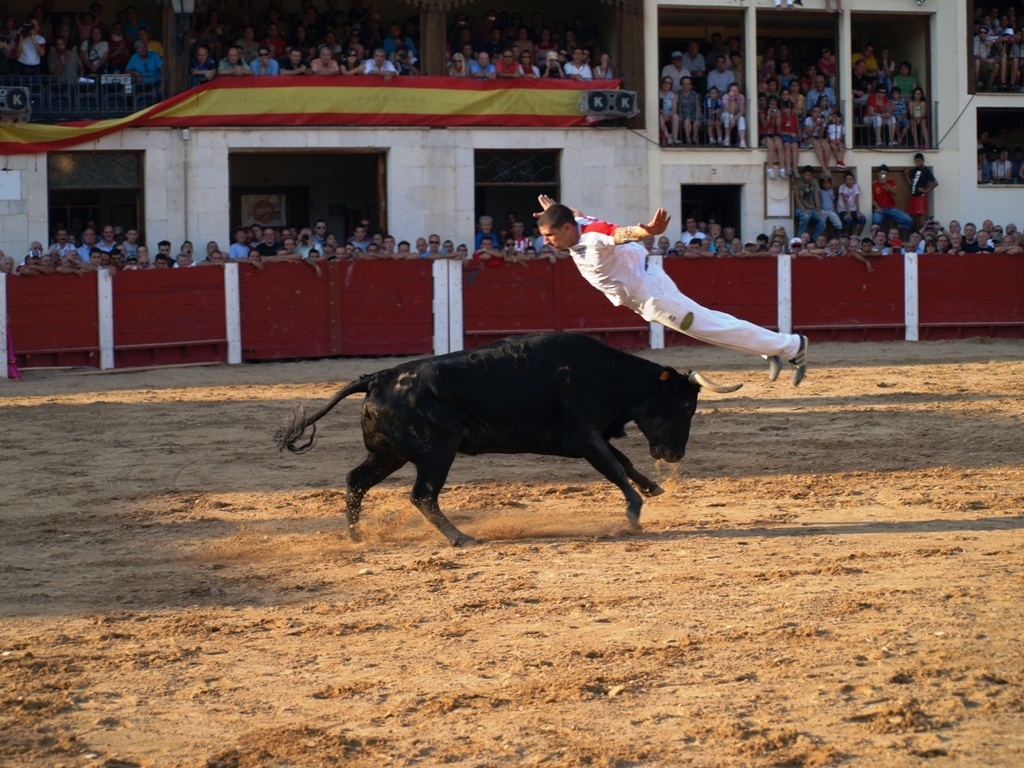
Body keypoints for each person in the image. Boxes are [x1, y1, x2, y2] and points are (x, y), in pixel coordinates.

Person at [534, 195, 808, 385]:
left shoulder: (593, 234)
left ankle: (791, 346)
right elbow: (577, 215)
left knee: (711, 327)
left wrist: (649, 231)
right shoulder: (577, 224)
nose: (547, 241)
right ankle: (772, 348)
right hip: (645, 288)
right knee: (714, 323)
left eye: (551, 235)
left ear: (567, 227)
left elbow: (621, 233)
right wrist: (555, 209)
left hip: (652, 295)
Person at [871, 164, 913, 232]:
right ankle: (879, 236)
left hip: (891, 208)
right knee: (876, 220)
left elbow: (895, 192)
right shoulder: (874, 184)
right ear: (878, 174)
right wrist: (878, 207)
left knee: (908, 220)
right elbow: (873, 199)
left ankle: (895, 232)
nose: (883, 175)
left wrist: (886, 183)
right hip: (880, 208)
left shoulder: (890, 181)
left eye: (885, 174)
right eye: (882, 173)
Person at [904, 153, 938, 230]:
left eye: (919, 161)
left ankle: (923, 231)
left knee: (921, 215)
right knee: (908, 213)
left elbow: (935, 183)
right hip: (913, 195)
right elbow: (912, 184)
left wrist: (926, 190)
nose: (918, 163)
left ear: (923, 161)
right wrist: (906, 176)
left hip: (920, 196)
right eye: (916, 161)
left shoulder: (926, 171)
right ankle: (911, 231)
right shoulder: (915, 170)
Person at [793, 165, 826, 240]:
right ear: (803, 174)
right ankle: (800, 239)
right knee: (805, 216)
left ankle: (813, 240)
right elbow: (797, 197)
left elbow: (816, 196)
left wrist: (819, 210)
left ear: (812, 175)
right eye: (806, 175)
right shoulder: (797, 181)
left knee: (822, 219)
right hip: (799, 208)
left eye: (809, 175)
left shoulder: (814, 182)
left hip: (812, 208)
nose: (808, 177)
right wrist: (803, 209)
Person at [837, 171, 866, 237]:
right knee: (848, 220)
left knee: (862, 219)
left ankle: (857, 237)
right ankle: (846, 237)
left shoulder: (856, 186)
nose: (849, 181)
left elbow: (856, 199)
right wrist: (849, 214)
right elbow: (845, 202)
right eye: (847, 179)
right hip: (843, 209)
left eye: (851, 179)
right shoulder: (842, 187)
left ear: (853, 180)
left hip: (853, 210)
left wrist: (858, 212)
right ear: (844, 181)